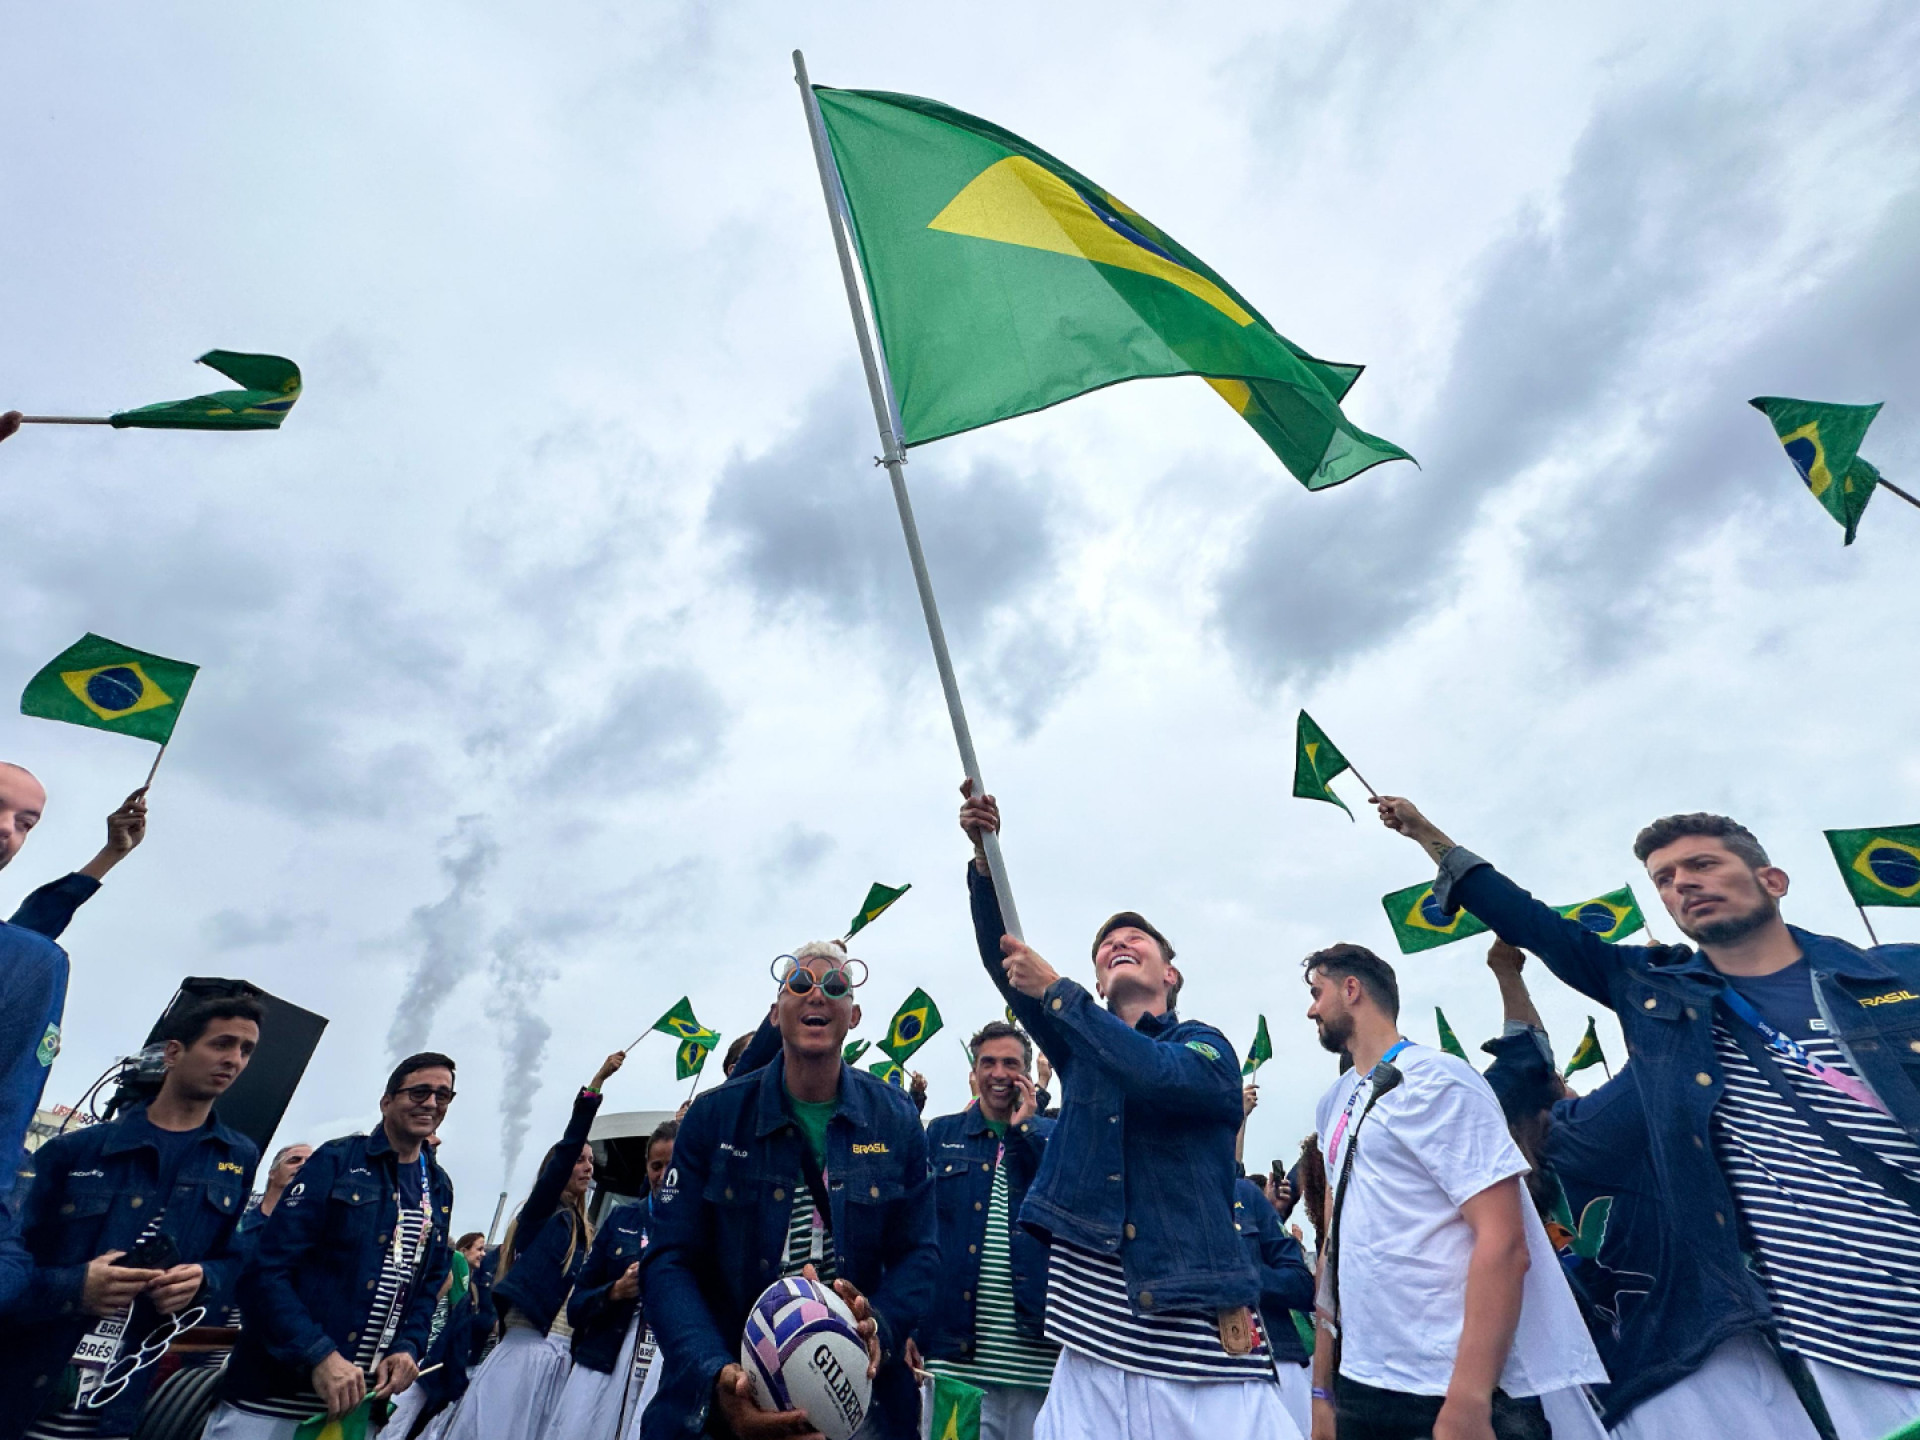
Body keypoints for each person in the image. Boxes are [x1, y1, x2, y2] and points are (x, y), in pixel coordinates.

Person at [1376, 797, 1920, 1440]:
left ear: (1772, 881)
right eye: (1665, 879)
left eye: (1703, 864)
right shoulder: (1658, 992)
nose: (1682, 883)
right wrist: (1429, 836)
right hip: (1841, 1327)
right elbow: (1538, 925)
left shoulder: (1897, 970)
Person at [958, 783, 1295, 1440]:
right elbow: (1007, 959)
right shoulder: (1079, 1046)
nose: (1117, 943)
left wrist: (1063, 995)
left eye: (1134, 938)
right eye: (1104, 945)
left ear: (1170, 974)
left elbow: (1160, 1075)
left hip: (1197, 1352)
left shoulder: (1204, 1045)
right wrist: (982, 861)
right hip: (1092, 1344)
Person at [1302, 943, 1604, 1440]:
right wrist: (1323, 1390)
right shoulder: (1334, 1102)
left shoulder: (1439, 1079)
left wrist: (1469, 1397)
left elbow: (1504, 1242)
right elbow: (1333, 1251)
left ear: (1351, 989)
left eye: (1317, 993)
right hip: (1364, 1385)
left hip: (1451, 1385)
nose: (1311, 1008)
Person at [642, 941, 938, 1439]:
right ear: (776, 1013)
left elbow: (921, 1255)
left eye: (836, 987)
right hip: (721, 1409)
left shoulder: (897, 1118)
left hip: (857, 1405)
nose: (816, 995)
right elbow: (669, 1260)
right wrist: (717, 1375)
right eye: (799, 984)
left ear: (854, 1015)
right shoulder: (712, 1118)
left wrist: (877, 1326)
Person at [1, 995, 263, 1440]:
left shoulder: (237, 1158)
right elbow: (10, 1258)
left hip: (118, 1406)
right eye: (222, 1043)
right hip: (24, 1386)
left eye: (245, 1050)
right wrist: (74, 1287)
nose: (234, 1059)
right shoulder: (75, 1150)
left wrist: (202, 1279)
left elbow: (233, 1258)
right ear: (175, 1053)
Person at [206, 1052, 458, 1438]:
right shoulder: (336, 1160)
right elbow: (266, 1271)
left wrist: (408, 1347)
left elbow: (427, 1290)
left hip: (357, 1411)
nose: (431, 1103)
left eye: (443, 1095)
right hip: (273, 1398)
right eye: (419, 1092)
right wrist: (318, 1354)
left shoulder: (438, 1187)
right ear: (386, 1101)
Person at [442, 1051, 625, 1440]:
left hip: (562, 1362)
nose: (587, 1167)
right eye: (579, 1159)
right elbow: (568, 1145)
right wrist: (596, 1085)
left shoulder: (587, 1231)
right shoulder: (541, 1215)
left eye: (591, 1161)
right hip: (524, 1355)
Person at [1, 771, 147, 1176]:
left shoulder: (27, 957)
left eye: (25, 824)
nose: (5, 828)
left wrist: (111, 855)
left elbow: (28, 938)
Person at [918, 1021, 1058, 1440]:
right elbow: (915, 1235)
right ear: (974, 1072)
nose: (998, 1073)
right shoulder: (941, 1134)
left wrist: (1026, 1131)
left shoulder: (1053, 1137)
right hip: (955, 1367)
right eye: (988, 1063)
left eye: (1010, 1063)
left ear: (1028, 1074)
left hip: (1040, 1369)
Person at [547, 1119, 679, 1440]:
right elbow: (577, 1306)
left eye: (672, 1165)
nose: (663, 1175)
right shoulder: (622, 1219)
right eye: (655, 1166)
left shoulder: (703, 1228)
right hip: (600, 1364)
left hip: (660, 1372)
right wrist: (616, 1291)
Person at [1231, 1174, 1316, 1435]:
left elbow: (1302, 1285)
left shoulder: (1245, 1194)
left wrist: (1241, 1276)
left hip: (1278, 1361)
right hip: (1195, 1371)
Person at [236, 1145, 314, 1241]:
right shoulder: (237, 1226)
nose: (303, 1165)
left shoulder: (315, 1234)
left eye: (311, 1163)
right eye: (294, 1160)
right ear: (272, 1172)